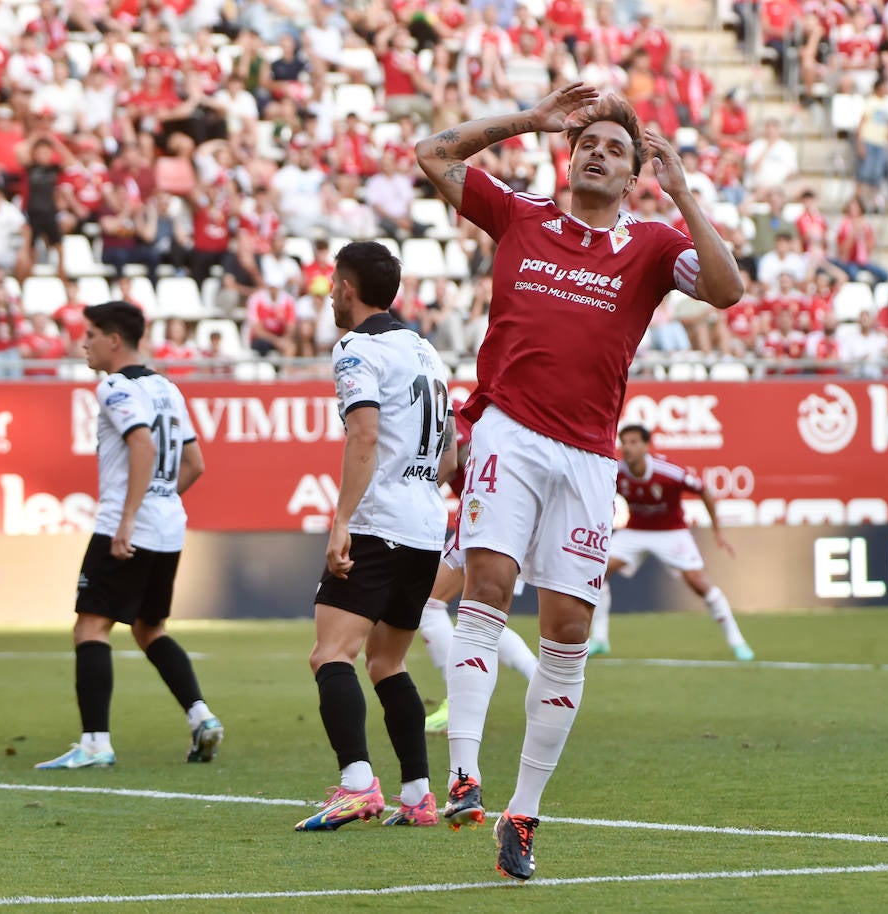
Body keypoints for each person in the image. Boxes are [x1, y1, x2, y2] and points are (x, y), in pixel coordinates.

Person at [415, 85, 744, 880]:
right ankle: (464, 773)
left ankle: (523, 816)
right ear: (569, 156)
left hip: (590, 459)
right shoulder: (522, 216)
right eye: (588, 143)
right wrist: (530, 118)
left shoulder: (654, 246)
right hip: (509, 432)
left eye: (616, 149)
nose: (599, 152)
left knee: (567, 633)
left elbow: (730, 291)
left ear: (636, 173)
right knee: (486, 585)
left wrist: (686, 192)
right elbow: (432, 154)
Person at [293, 241, 453, 832]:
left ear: (348, 287)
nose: (331, 293)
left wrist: (341, 522)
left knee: (331, 653)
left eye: (334, 283)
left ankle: (357, 785)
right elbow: (449, 454)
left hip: (379, 522)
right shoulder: (425, 351)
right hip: (425, 524)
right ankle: (418, 796)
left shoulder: (357, 349)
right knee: (388, 663)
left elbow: (362, 437)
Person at [36, 302, 223, 770]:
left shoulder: (114, 388)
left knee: (91, 627)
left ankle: (95, 742)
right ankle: (201, 717)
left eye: (92, 334)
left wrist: (128, 519)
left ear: (114, 340)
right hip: (168, 525)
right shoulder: (168, 388)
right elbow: (195, 464)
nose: (84, 343)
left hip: (129, 523)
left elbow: (141, 443)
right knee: (149, 627)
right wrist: (160, 499)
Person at [419, 405, 538, 735]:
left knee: (429, 605)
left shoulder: (450, 411)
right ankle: (539, 678)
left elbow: (453, 457)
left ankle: (454, 702)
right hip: (508, 521)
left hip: (488, 520)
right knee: (484, 620)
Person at [588, 424, 753, 660]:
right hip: (636, 531)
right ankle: (600, 639)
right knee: (597, 573)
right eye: (624, 442)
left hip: (671, 532)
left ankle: (738, 642)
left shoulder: (668, 472)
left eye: (634, 442)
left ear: (646, 446)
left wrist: (718, 531)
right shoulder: (616, 472)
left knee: (698, 582)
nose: (628, 447)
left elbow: (704, 490)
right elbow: (598, 496)